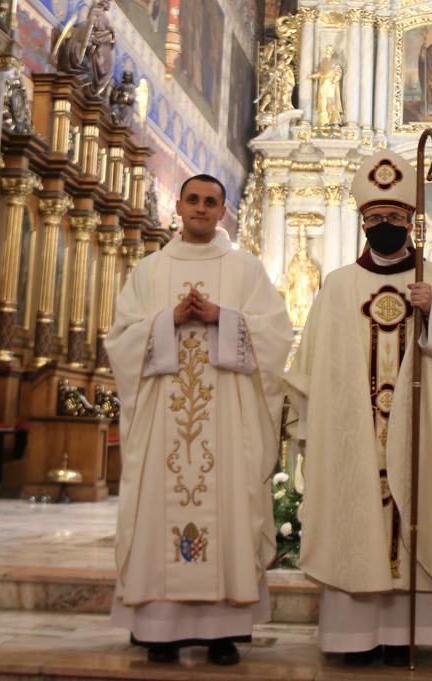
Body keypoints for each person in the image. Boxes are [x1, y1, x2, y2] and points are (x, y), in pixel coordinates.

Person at [284, 150, 432, 667]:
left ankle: (405, 635)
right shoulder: (337, 286)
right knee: (357, 520)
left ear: (413, 222)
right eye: (376, 218)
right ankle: (354, 636)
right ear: (362, 222)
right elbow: (312, 368)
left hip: (423, 437)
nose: (385, 226)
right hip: (353, 439)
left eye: (395, 216)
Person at [106, 174, 293, 665]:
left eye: (211, 202)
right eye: (193, 199)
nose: (201, 208)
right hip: (161, 424)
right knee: (157, 510)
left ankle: (222, 632)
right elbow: (120, 339)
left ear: (222, 211)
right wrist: (166, 320)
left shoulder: (245, 269)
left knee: (229, 508)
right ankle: (160, 632)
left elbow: (277, 335)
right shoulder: (150, 270)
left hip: (227, 425)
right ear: (179, 205)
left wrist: (222, 318)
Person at [310, 46, 344, 127]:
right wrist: (312, 76)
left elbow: (338, 71)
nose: (327, 51)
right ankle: (324, 122)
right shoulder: (323, 62)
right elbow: (321, 73)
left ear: (332, 52)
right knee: (323, 103)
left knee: (331, 102)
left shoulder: (334, 62)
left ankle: (335, 121)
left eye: (329, 50)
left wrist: (335, 80)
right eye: (327, 50)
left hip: (330, 84)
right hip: (323, 84)